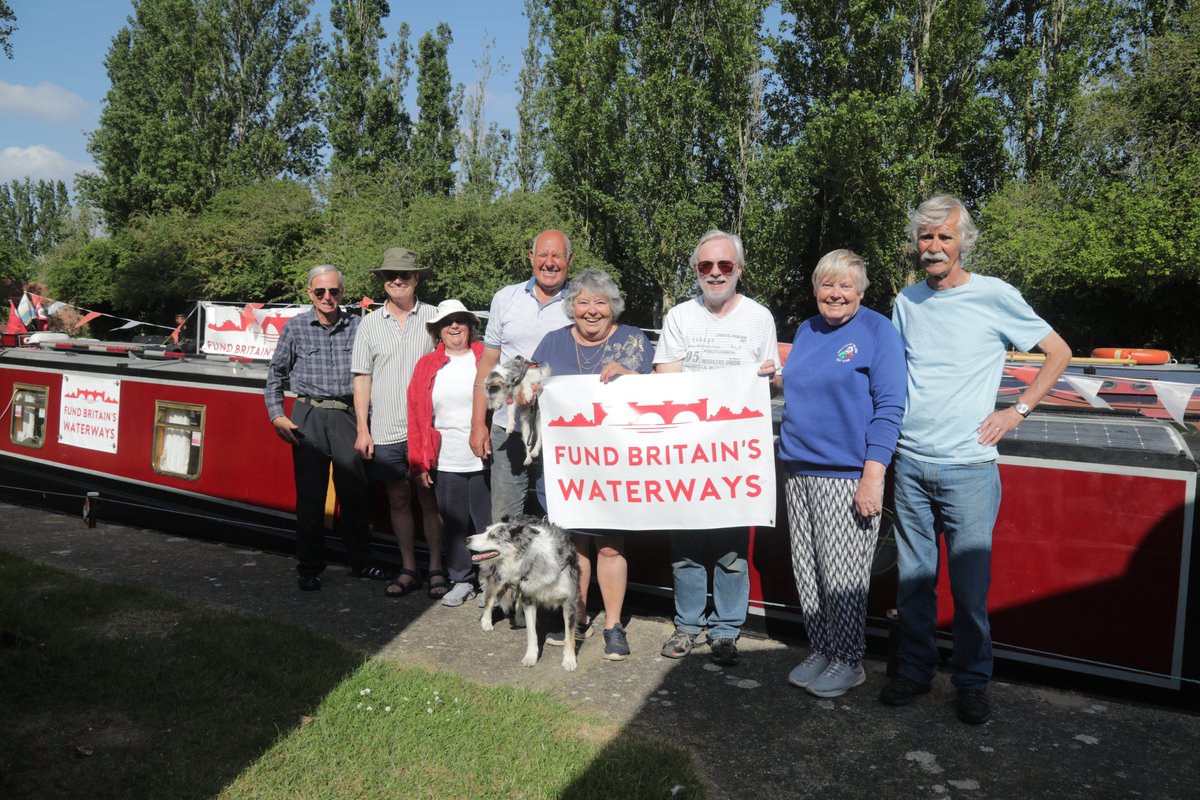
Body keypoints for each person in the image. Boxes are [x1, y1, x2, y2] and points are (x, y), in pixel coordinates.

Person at [883, 195, 1071, 724]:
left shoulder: (995, 295)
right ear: (915, 245)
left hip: (969, 467)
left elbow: (1058, 352)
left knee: (969, 591)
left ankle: (970, 682)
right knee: (915, 584)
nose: (934, 246)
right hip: (911, 464)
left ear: (963, 241)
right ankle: (916, 673)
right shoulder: (906, 301)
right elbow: (893, 375)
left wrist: (1018, 411)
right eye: (926, 237)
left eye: (945, 236)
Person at [778, 250, 906, 698]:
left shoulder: (877, 331)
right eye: (826, 286)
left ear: (861, 291)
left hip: (846, 472)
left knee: (842, 575)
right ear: (815, 290)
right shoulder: (806, 330)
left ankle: (850, 660)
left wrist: (874, 474)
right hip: (798, 467)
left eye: (845, 286)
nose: (835, 294)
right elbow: (800, 387)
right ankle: (822, 647)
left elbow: (890, 406)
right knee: (808, 569)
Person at [653, 229, 782, 666]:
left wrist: (771, 375)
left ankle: (726, 631)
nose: (715, 273)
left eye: (724, 265)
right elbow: (665, 377)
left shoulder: (760, 318)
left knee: (731, 553)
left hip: (736, 456)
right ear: (695, 271)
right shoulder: (678, 317)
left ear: (739, 270)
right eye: (706, 266)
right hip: (687, 454)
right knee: (686, 550)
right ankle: (687, 625)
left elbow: (775, 382)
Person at [527, 268, 654, 660]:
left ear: (613, 307)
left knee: (612, 546)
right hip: (567, 465)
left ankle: (613, 626)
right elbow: (524, 390)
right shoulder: (552, 342)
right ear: (572, 307)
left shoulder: (634, 340)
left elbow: (656, 395)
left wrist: (631, 377)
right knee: (574, 544)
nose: (592, 310)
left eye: (600, 302)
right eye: (583, 302)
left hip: (615, 464)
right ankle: (576, 618)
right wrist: (527, 392)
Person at [264, 264, 392, 591]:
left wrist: (370, 423)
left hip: (348, 416)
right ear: (310, 293)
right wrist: (277, 414)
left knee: (356, 496)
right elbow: (275, 377)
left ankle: (360, 563)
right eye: (320, 291)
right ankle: (309, 568)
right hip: (309, 416)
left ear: (342, 293)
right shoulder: (294, 329)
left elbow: (373, 376)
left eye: (334, 291)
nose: (327, 297)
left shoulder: (360, 326)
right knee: (311, 497)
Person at [352, 248, 445, 599]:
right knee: (398, 500)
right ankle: (409, 567)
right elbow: (362, 377)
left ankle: (436, 567)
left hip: (426, 430)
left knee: (430, 500)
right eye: (389, 275)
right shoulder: (370, 323)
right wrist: (363, 428)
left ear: (416, 279)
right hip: (387, 429)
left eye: (404, 275)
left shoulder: (436, 317)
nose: (396, 280)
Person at [469, 229, 574, 521]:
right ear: (531, 257)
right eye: (543, 254)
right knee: (504, 521)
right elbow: (488, 363)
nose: (549, 262)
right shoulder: (506, 298)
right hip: (508, 428)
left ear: (569, 260)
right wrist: (479, 422)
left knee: (562, 520)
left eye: (557, 255)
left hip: (560, 431)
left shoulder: (581, 302)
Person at [407, 299, 491, 608]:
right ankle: (461, 579)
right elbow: (417, 416)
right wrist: (418, 462)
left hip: (485, 456)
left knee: (488, 524)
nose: (454, 326)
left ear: (470, 326)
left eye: (460, 320)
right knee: (455, 523)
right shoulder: (426, 365)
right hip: (446, 458)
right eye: (447, 322)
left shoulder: (486, 357)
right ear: (437, 331)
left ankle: (492, 582)